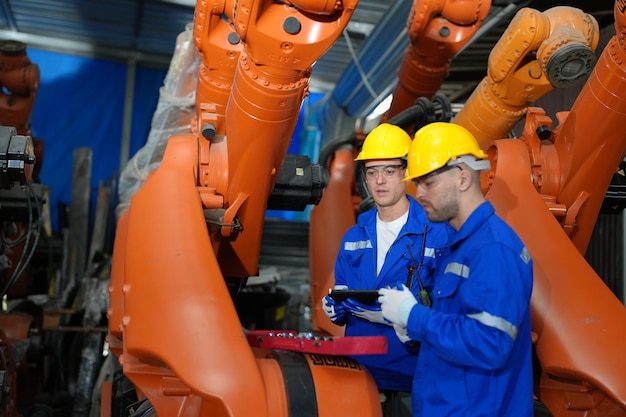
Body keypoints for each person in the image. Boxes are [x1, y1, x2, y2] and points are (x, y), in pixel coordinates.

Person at [378, 121, 534, 416]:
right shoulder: (460, 245)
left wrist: (416, 317)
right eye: (417, 183)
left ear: (463, 178)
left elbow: (490, 343)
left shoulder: (493, 249)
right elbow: (459, 325)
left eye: (428, 182)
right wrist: (414, 330)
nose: (418, 193)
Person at [321, 123, 448, 417]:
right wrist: (335, 307)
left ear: (407, 172)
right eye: (372, 172)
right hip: (359, 374)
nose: (379, 181)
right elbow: (344, 298)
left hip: (411, 376)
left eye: (389, 171)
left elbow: (447, 309)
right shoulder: (355, 235)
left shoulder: (436, 233)